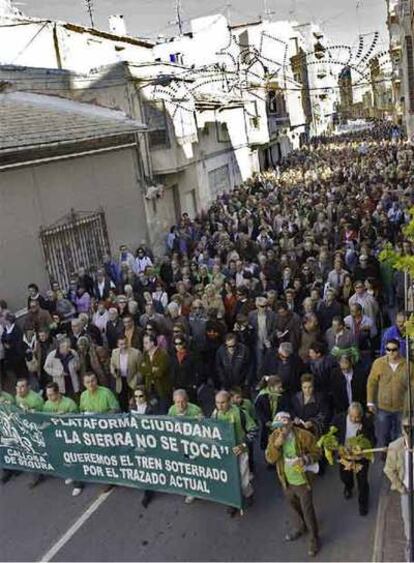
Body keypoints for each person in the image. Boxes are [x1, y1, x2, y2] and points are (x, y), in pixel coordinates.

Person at [265, 411, 321, 557]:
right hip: (286, 481)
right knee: (294, 508)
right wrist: (277, 445)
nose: (280, 430)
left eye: (283, 426)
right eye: (277, 427)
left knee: (308, 511)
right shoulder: (274, 437)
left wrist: (306, 459)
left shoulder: (303, 435)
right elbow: (270, 459)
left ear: (290, 424)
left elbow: (318, 452)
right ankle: (300, 527)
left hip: (302, 481)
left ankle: (314, 539)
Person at [211, 390, 255, 516]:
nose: (220, 406)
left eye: (223, 402)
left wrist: (243, 445)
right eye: (217, 403)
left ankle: (248, 493)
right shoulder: (215, 414)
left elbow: (253, 431)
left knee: (243, 480)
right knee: (228, 479)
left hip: (240, 451)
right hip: (224, 453)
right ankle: (233, 502)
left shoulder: (240, 413)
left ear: (229, 401)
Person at [332, 402, 376, 516]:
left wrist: (364, 448)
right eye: (352, 417)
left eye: (357, 417)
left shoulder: (367, 422)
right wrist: (337, 445)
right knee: (345, 476)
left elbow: (373, 440)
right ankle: (348, 486)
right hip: (345, 456)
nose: (355, 419)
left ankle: (363, 505)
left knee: (362, 482)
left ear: (361, 415)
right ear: (348, 413)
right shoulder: (339, 419)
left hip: (360, 458)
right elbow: (332, 433)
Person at [367, 338, 411, 450]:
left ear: (399, 350)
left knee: (400, 436)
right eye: (388, 349)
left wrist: (410, 406)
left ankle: (397, 458)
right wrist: (370, 402)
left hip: (402, 408)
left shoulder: (408, 365)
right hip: (383, 407)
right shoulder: (378, 363)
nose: (391, 352)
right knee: (383, 435)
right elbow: (371, 383)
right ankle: (384, 456)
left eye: (394, 350)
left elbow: (412, 387)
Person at [384, 417, 414, 562]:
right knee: (407, 519)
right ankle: (410, 545)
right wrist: (401, 488)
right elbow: (388, 470)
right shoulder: (395, 447)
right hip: (407, 489)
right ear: (404, 432)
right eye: (408, 430)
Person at [168, 389, 203, 504]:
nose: (180, 405)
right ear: (174, 402)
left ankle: (192, 492)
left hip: (193, 444)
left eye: (183, 401)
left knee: (192, 467)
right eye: (177, 402)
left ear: (187, 400)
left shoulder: (195, 410)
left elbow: (205, 428)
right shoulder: (172, 410)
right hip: (179, 444)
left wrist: (201, 420)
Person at [14, 377, 45, 488]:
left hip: (39, 428)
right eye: (18, 387)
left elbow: (44, 414)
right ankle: (36, 475)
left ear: (28, 387)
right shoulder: (17, 397)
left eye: (23, 386)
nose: (20, 389)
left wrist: (33, 413)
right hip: (26, 428)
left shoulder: (36, 399)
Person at [140, 333, 171, 414]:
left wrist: (148, 370)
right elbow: (142, 369)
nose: (144, 345)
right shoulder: (145, 355)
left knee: (163, 410)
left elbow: (159, 372)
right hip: (150, 388)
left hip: (162, 388)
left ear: (152, 343)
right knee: (153, 409)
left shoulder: (163, 354)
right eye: (144, 343)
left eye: (146, 343)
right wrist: (152, 369)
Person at [291, 373, 329, 438]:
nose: (307, 390)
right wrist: (294, 417)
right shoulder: (296, 397)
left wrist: (312, 422)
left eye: (310, 387)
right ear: (301, 387)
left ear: (313, 387)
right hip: (297, 431)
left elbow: (323, 414)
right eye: (304, 387)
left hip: (313, 432)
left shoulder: (320, 399)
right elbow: (291, 410)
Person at [110, 336, 142, 412]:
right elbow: (112, 365)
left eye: (125, 343)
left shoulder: (136, 353)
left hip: (132, 379)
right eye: (121, 344)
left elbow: (140, 369)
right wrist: (114, 372)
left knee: (134, 401)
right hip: (120, 380)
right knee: (122, 401)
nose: (124, 346)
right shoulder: (114, 352)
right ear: (117, 345)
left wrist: (137, 379)